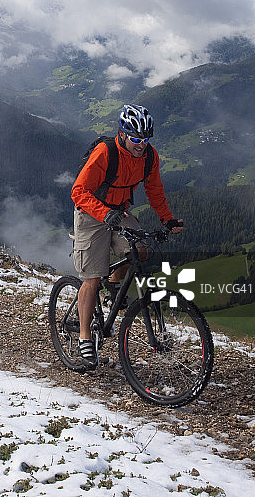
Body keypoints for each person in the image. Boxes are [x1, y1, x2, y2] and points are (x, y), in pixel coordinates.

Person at [71, 104, 183, 368]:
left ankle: (112, 292)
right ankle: (85, 338)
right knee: (91, 278)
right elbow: (78, 192)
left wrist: (167, 219)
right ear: (122, 134)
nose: (141, 144)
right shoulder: (105, 153)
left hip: (119, 212)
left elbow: (155, 190)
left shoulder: (148, 157)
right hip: (91, 214)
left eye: (145, 139)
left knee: (139, 251)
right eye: (135, 139)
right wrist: (104, 213)